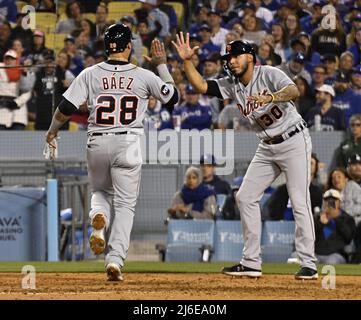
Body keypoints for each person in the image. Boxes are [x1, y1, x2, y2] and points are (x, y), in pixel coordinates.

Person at [172, 34, 318, 279]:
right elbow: (201, 86)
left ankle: (309, 264)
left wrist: (271, 97)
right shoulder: (232, 85)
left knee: (299, 201)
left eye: (235, 57)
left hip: (293, 139)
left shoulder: (268, 73)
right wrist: (187, 61)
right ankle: (251, 262)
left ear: (249, 56)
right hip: (267, 145)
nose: (231, 62)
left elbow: (293, 90)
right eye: (228, 58)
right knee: (245, 196)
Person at [44, 24, 178, 281]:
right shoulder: (143, 75)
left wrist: (52, 131)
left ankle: (98, 217)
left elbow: (65, 107)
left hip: (97, 140)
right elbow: (173, 98)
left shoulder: (89, 73)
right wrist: (161, 65)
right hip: (128, 142)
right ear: (129, 46)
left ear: (107, 47)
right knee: (125, 205)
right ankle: (115, 260)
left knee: (99, 191)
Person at [314, 189, 356, 264]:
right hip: (316, 254)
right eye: (327, 200)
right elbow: (310, 236)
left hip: (336, 254)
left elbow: (348, 237)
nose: (330, 203)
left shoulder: (347, 219)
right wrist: (320, 223)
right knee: (301, 260)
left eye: (334, 200)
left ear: (339, 202)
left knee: (331, 262)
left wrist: (336, 218)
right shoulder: (317, 218)